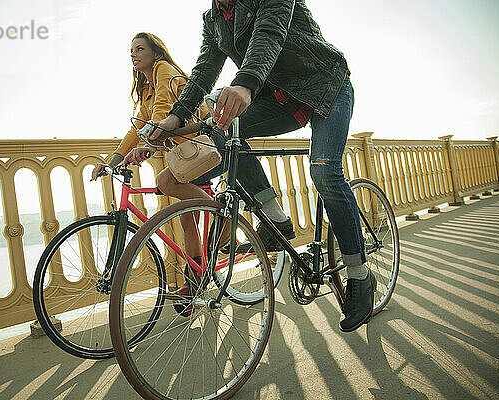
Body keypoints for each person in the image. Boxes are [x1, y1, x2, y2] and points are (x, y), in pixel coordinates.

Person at [150, 0, 375, 332]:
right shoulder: (213, 19)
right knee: (223, 133)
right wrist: (177, 116)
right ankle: (276, 219)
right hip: (279, 101)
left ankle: (359, 275)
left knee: (324, 171)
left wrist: (246, 82)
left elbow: (269, 33)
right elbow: (204, 69)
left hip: (325, 86)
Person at [91, 32, 211, 299]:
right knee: (186, 218)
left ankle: (221, 213)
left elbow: (163, 111)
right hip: (185, 154)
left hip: (206, 145)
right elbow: (137, 129)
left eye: (139, 48)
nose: (133, 54)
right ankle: (195, 284)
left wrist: (149, 144)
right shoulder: (145, 88)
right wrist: (112, 160)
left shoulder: (164, 70)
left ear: (156, 53)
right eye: (131, 50)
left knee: (165, 183)